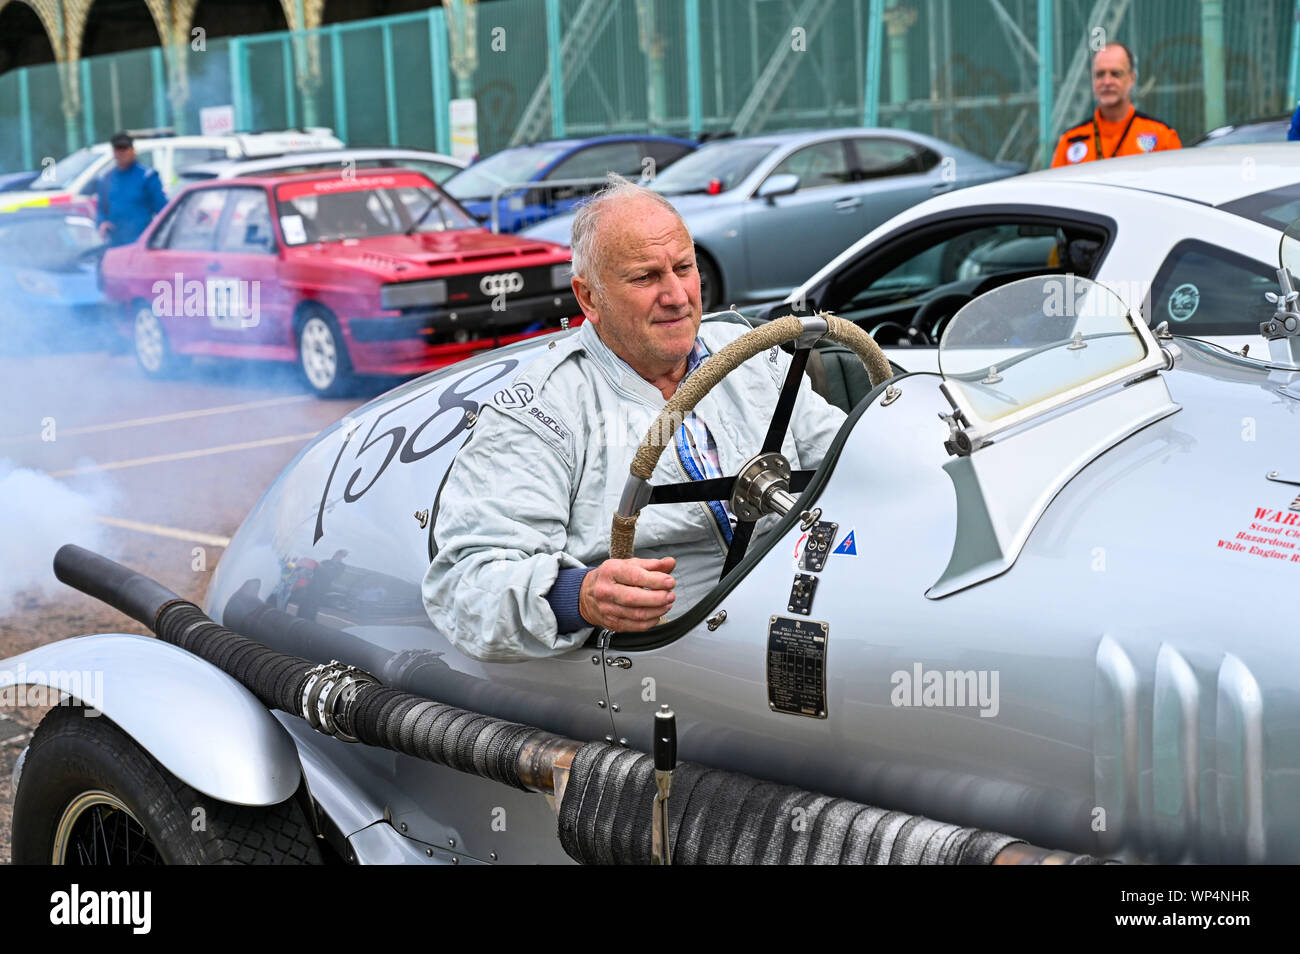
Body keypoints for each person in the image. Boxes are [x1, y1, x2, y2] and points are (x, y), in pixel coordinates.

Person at [424, 175, 846, 662]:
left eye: (684, 268)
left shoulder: (751, 358)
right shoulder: (541, 412)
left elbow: (854, 463)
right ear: (589, 299)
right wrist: (579, 596)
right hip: (665, 670)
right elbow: (464, 585)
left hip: (808, 619)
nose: (677, 296)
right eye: (645, 278)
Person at [1050, 43, 1181, 168]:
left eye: (1115, 74)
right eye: (1100, 74)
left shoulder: (1162, 137)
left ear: (1132, 79)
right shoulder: (1070, 142)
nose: (1107, 82)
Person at [96, 132, 167, 246]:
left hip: (142, 243)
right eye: (118, 149)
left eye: (125, 148)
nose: (122, 153)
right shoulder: (106, 179)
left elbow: (163, 209)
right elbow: (101, 209)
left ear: (133, 150)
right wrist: (102, 222)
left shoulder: (147, 177)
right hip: (115, 244)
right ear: (114, 153)